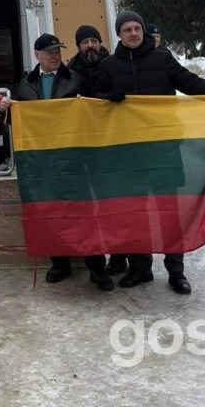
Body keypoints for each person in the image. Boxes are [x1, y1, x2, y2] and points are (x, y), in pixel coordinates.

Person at [95, 10, 205, 295]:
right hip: (130, 154)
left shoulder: (162, 59)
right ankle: (141, 268)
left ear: (143, 31)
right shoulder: (109, 66)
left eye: (137, 28)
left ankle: (176, 272)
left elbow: (192, 83)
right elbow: (92, 99)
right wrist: (106, 96)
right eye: (127, 29)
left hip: (164, 150)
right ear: (119, 34)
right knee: (136, 213)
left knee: (170, 214)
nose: (133, 33)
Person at [0, 33, 114, 292]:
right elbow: (20, 120)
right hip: (44, 161)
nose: (55, 55)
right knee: (52, 212)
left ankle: (97, 267)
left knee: (85, 213)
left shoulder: (76, 78)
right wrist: (6, 109)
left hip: (76, 158)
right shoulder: (26, 85)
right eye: (50, 51)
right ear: (37, 55)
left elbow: (96, 110)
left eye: (58, 51)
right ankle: (60, 264)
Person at [66, 25, 126, 276]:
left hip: (114, 145)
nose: (90, 45)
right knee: (89, 207)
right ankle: (95, 264)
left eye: (93, 40)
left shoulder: (114, 64)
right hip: (84, 148)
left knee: (116, 206)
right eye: (85, 42)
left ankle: (120, 258)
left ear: (100, 43)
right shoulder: (70, 72)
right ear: (78, 46)